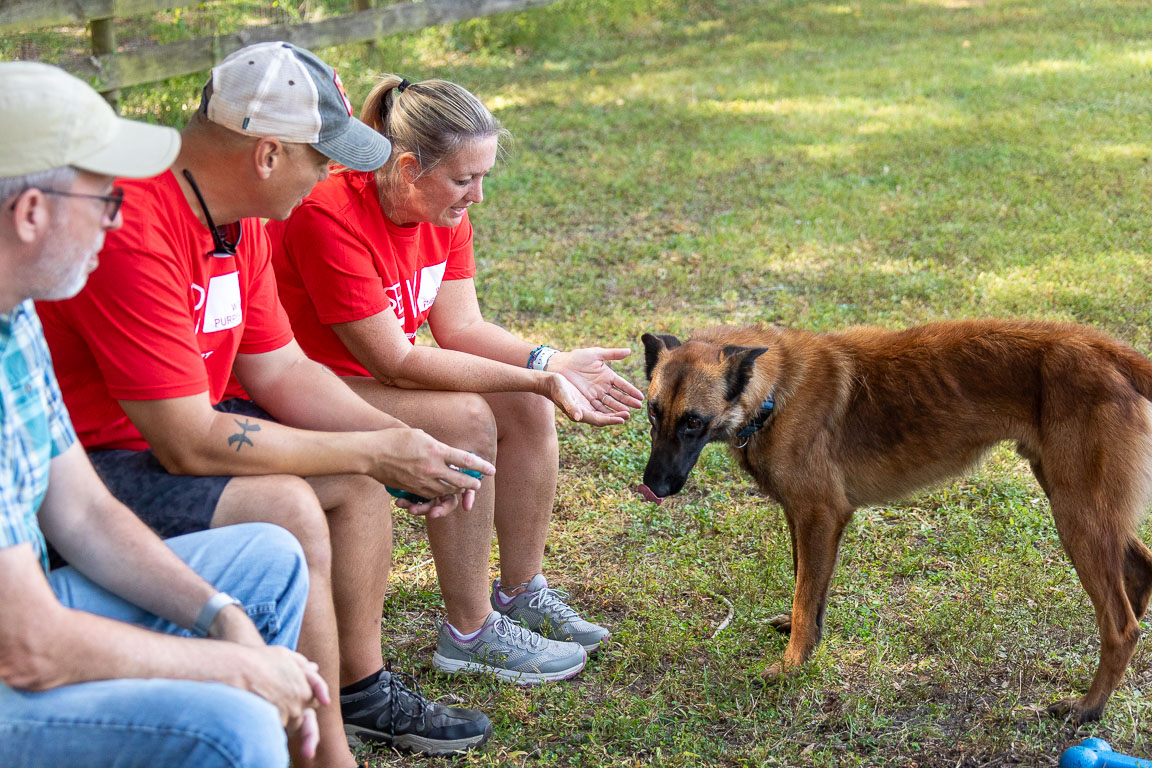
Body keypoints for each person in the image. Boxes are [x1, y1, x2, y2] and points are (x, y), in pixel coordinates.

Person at [36, 43, 497, 765]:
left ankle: (359, 689)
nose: (328, 178)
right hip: (89, 465)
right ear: (267, 155)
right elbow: (184, 441)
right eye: (322, 161)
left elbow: (283, 369)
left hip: (149, 446)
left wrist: (402, 443)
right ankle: (324, 751)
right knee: (290, 501)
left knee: (353, 485)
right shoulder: (135, 223)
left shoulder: (240, 220)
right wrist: (375, 449)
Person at [0, 61, 327, 768]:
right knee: (229, 724)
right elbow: (27, 647)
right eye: (103, 197)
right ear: (30, 214)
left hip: (28, 610)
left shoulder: (16, 320)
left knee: (267, 559)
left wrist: (221, 616)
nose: (116, 218)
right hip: (15, 649)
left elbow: (84, 512)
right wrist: (236, 668)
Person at [266, 75, 645, 678]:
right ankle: (467, 632)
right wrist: (535, 377)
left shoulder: (440, 210)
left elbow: (462, 326)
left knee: (522, 404)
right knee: (468, 415)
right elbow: (396, 361)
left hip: (369, 379)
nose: (477, 195)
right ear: (411, 167)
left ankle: (521, 590)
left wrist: (548, 363)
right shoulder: (328, 214)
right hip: (306, 386)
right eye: (464, 178)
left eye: (483, 176)